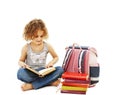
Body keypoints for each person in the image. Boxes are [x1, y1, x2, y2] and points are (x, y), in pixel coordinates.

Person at [17, 18, 64, 91]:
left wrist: (51, 63)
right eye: (36, 36)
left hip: (43, 71)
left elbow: (56, 57)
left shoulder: (47, 46)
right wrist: (23, 65)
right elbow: (20, 61)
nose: (39, 39)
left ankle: (32, 85)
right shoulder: (26, 47)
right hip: (31, 73)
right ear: (29, 35)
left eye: (41, 36)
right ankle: (49, 82)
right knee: (20, 73)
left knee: (60, 70)